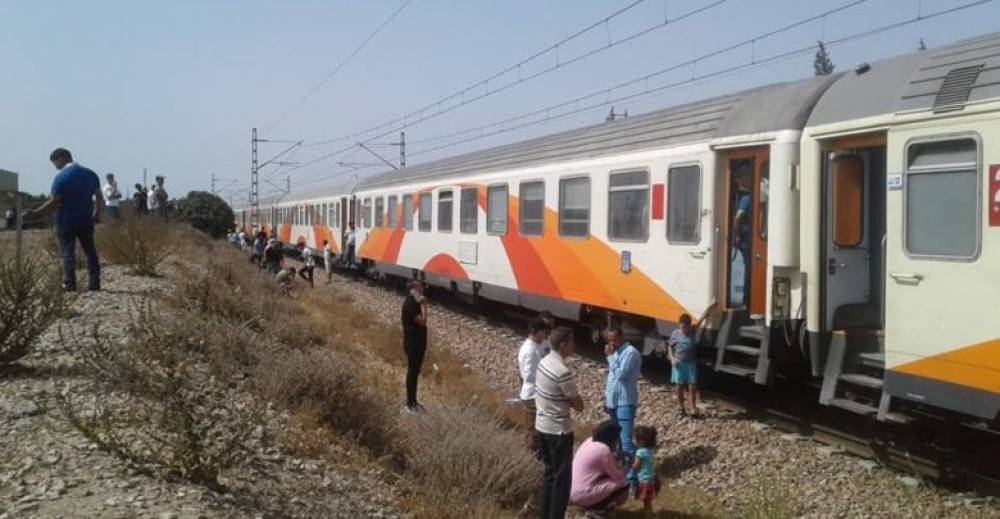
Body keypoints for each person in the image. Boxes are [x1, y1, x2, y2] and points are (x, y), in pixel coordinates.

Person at [22, 148, 103, 291]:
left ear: (61, 158)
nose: (55, 167)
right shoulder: (91, 174)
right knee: (90, 251)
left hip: (66, 219)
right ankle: (94, 283)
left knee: (67, 252)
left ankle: (69, 283)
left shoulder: (61, 177)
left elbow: (54, 201)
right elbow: (99, 197)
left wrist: (35, 213)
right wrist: (96, 214)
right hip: (85, 218)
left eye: (55, 163)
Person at [535, 326, 584, 519]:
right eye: (571, 342)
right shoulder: (562, 371)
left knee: (549, 474)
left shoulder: (543, 362)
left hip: (542, 426)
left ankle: (544, 514)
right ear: (563, 345)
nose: (573, 346)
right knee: (562, 481)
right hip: (559, 431)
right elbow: (578, 404)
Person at [569, 420, 629, 518]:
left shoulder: (590, 441)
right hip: (581, 495)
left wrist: (616, 455)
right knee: (623, 482)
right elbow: (616, 474)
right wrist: (627, 468)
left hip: (572, 490)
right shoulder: (603, 450)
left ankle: (594, 505)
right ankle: (598, 509)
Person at [604, 327, 642, 472]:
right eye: (609, 340)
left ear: (621, 337)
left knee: (626, 441)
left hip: (625, 401)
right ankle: (621, 470)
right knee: (617, 439)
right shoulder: (616, 353)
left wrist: (610, 357)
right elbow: (611, 378)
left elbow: (621, 375)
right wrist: (606, 398)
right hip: (613, 401)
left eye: (614, 339)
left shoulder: (630, 353)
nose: (611, 343)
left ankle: (631, 475)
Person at [517, 318, 550, 450]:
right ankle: (531, 459)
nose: (545, 336)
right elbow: (529, 376)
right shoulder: (529, 350)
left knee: (538, 431)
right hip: (532, 395)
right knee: (533, 433)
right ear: (537, 332)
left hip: (537, 394)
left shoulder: (536, 346)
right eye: (544, 333)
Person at [401, 280, 428, 412]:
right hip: (413, 345)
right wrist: (425, 306)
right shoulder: (410, 304)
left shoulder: (414, 302)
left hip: (417, 344)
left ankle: (413, 401)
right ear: (414, 289)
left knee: (415, 373)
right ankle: (409, 403)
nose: (423, 288)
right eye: (420, 287)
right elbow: (422, 321)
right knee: (412, 373)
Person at [669, 314, 700, 417]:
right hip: (679, 364)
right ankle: (681, 407)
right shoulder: (675, 333)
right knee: (680, 387)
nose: (683, 329)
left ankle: (692, 407)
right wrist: (672, 358)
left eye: (685, 327)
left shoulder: (692, 330)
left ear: (689, 326)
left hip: (691, 364)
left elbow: (701, 320)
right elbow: (670, 346)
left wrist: (710, 308)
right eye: (681, 327)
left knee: (692, 387)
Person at [731, 168, 752, 307]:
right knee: (748, 268)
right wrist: (738, 236)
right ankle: (746, 299)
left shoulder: (739, 197)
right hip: (745, 239)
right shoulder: (747, 198)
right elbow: (737, 218)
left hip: (744, 238)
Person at [631, 426, 660, 519]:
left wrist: (629, 465)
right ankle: (649, 514)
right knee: (648, 501)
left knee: (647, 502)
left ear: (641, 441)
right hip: (651, 480)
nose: (632, 440)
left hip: (644, 481)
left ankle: (648, 516)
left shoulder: (640, 452)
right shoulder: (648, 451)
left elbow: (636, 466)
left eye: (634, 439)